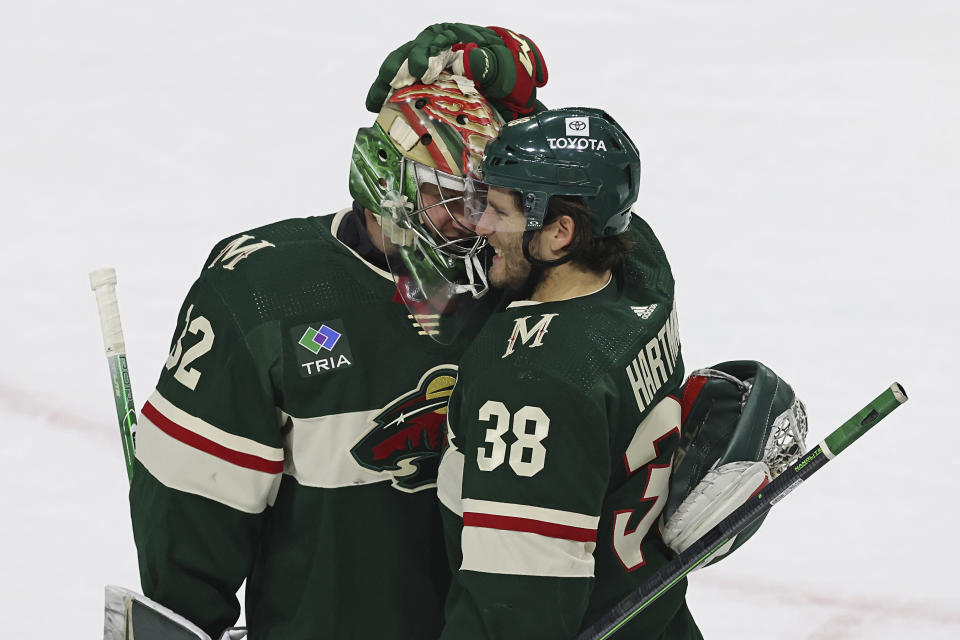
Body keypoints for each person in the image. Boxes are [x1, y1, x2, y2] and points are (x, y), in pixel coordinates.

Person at [127, 24, 548, 639]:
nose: (480, 225)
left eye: (489, 203)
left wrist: (506, 76)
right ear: (387, 180)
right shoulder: (263, 296)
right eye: (455, 202)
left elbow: (598, 216)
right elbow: (192, 511)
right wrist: (183, 615)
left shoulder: (518, 277)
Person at [436, 107, 703, 638]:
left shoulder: (530, 386)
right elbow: (594, 174)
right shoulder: (643, 275)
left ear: (561, 232)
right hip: (657, 620)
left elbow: (515, 609)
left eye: (498, 211)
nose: (481, 225)